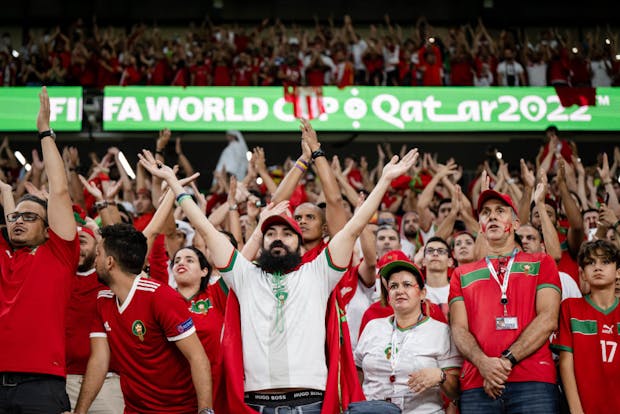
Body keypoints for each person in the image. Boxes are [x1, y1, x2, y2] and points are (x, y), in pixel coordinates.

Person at [138, 146, 419, 413]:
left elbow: (354, 226)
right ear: (261, 239)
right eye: (271, 233)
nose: (278, 239)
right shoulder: (244, 275)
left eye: (287, 234)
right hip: (256, 402)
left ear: (300, 243)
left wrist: (383, 180)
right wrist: (174, 183)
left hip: (310, 401)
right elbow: (203, 225)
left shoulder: (319, 273)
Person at [74, 224, 213, 414]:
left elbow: (197, 357)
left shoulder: (160, 297)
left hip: (177, 410)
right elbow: (99, 361)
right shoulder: (102, 301)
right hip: (134, 410)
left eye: (98, 254)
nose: (95, 260)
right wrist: (79, 412)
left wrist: (206, 411)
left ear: (109, 262)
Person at [0, 86, 79, 412]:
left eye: (29, 217)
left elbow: (59, 192)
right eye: (15, 217)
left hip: (41, 387)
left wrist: (45, 131)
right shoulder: (5, 256)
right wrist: (8, 194)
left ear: (49, 230)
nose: (18, 221)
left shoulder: (58, 254)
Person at [449, 189, 562, 413]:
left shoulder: (542, 263)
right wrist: (483, 364)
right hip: (478, 383)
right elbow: (458, 329)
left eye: (500, 211)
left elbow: (549, 319)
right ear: (479, 225)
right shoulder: (461, 274)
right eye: (485, 212)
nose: (491, 216)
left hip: (534, 381)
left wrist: (504, 362)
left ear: (516, 223)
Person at [355, 254, 461, 413]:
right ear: (388, 296)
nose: (399, 291)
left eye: (407, 285)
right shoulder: (373, 327)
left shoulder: (441, 331)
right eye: (393, 286)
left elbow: (456, 391)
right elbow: (356, 374)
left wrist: (441, 376)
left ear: (423, 293)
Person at [552, 240, 620, 414]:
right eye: (591, 263)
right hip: (584, 406)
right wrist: (576, 410)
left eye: (605, 261)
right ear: (582, 274)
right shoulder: (570, 307)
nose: (597, 267)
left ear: (618, 271)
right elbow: (566, 364)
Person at [65, 226, 124, 413]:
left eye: (82, 241)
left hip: (107, 384)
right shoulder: (57, 278)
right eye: (71, 243)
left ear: (98, 248)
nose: (77, 248)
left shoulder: (111, 279)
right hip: (63, 382)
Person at [171, 246, 224, 412]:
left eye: (189, 260)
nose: (181, 262)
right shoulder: (163, 299)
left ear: (204, 271)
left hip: (216, 391)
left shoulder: (216, 294)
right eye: (177, 260)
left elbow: (240, 262)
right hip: (174, 394)